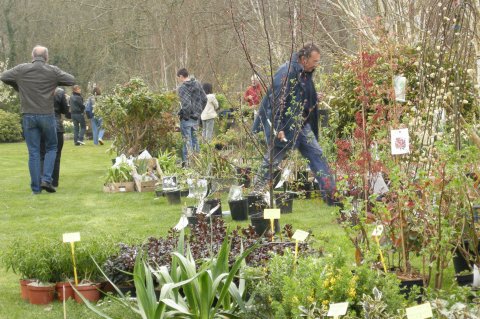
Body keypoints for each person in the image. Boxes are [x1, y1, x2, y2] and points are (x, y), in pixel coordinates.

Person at [253, 44, 337, 205]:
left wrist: (313, 97)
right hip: (284, 125)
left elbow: (299, 96)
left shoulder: (304, 73)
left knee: (317, 155)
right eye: (314, 61)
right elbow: (277, 101)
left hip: (301, 124)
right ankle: (255, 196)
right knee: (272, 161)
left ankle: (332, 195)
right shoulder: (287, 73)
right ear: (303, 59)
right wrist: (278, 127)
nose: (316, 64)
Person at [0, 45, 75, 194]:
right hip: (46, 115)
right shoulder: (52, 71)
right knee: (52, 147)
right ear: (46, 57)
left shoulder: (21, 69)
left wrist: (20, 86)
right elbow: (71, 80)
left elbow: (3, 76)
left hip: (28, 115)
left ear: (32, 56)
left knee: (33, 152)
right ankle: (46, 180)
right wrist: (54, 83)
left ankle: (36, 189)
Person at [176, 68, 207, 165]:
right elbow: (205, 99)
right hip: (196, 117)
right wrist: (199, 112)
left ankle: (187, 164)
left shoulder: (182, 88)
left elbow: (186, 104)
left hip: (187, 118)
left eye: (178, 78)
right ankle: (198, 163)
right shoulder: (197, 84)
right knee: (195, 140)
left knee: (187, 141)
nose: (179, 80)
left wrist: (185, 115)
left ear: (181, 76)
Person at [40, 87, 69, 188]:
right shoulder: (59, 92)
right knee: (56, 155)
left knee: (42, 154)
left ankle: (41, 179)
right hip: (55, 125)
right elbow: (66, 110)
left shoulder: (36, 89)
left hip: (41, 125)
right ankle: (53, 182)